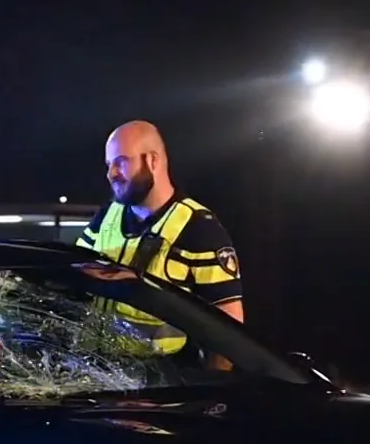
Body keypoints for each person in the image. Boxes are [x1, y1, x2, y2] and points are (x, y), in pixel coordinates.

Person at [76, 120, 245, 358]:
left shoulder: (199, 229)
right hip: (95, 376)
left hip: (162, 384)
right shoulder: (107, 216)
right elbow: (72, 277)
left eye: (121, 162)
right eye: (109, 164)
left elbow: (230, 333)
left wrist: (212, 387)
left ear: (152, 160)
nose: (111, 173)